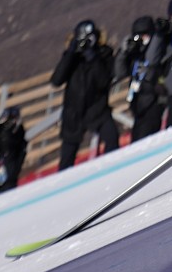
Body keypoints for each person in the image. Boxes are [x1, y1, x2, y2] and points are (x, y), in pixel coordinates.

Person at [49, 19, 120, 169]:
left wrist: (92, 58)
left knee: (112, 137)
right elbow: (56, 80)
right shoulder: (72, 58)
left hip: (97, 109)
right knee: (68, 155)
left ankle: (111, 170)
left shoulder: (104, 54)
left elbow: (103, 82)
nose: (86, 43)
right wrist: (70, 53)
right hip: (73, 113)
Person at [115, 14, 169, 141]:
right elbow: (120, 73)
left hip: (153, 100)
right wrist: (123, 53)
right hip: (138, 104)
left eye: (144, 35)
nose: (141, 39)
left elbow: (151, 60)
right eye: (137, 36)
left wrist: (156, 36)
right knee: (136, 139)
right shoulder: (135, 54)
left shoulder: (158, 47)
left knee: (148, 139)